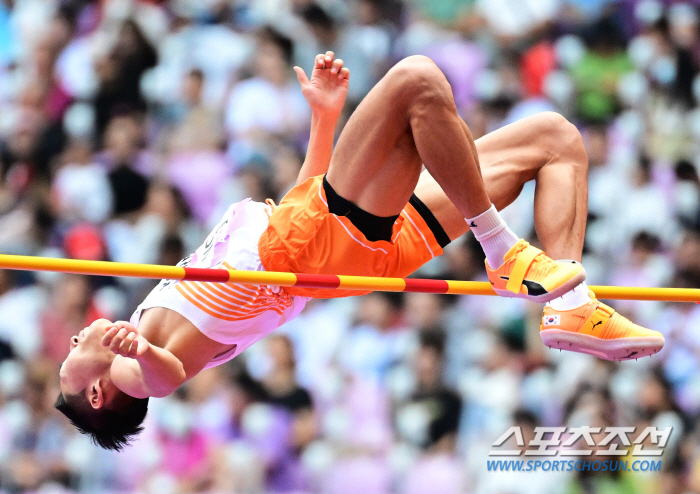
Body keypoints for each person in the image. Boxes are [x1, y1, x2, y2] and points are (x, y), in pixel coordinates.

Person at [55, 52, 664, 450]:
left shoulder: (154, 318)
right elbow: (159, 381)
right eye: (71, 362)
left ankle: (573, 306)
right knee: (416, 81)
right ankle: (501, 248)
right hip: (312, 249)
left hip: (335, 246)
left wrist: (324, 120)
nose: (76, 343)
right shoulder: (138, 367)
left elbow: (305, 198)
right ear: (99, 393)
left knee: (554, 140)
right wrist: (142, 352)